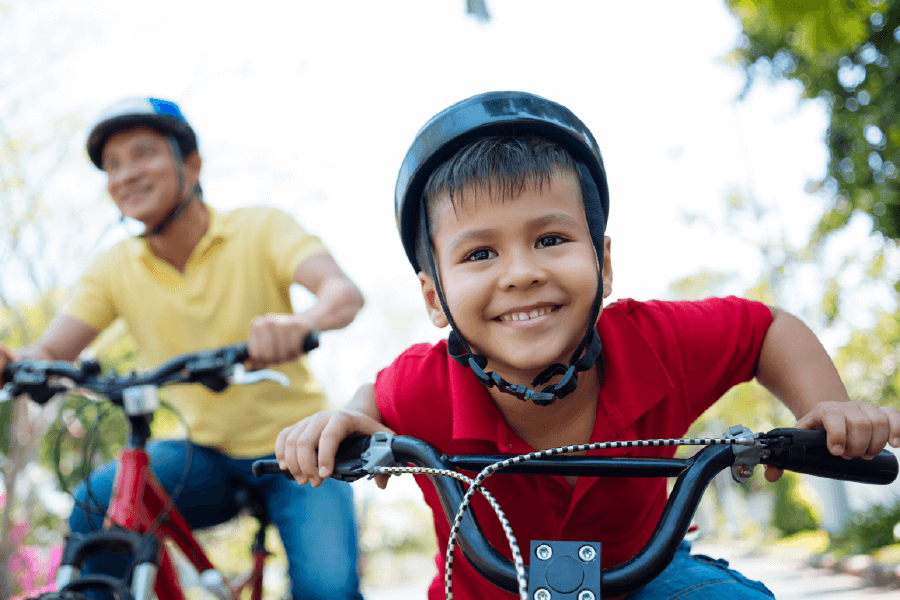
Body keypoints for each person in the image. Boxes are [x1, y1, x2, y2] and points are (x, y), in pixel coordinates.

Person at [273, 91, 900, 600]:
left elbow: (767, 329)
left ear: (602, 262)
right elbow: (376, 401)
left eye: (550, 239)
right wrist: (351, 420)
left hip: (641, 578)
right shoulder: (424, 386)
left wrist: (827, 408)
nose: (520, 272)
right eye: (480, 253)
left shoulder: (658, 342)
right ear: (434, 297)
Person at [0, 98, 366, 600]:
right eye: (112, 165)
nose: (125, 174)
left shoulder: (259, 228)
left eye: (143, 153)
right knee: (97, 500)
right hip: (207, 455)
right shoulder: (115, 267)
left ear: (191, 164)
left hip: (301, 448)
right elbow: (46, 351)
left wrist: (301, 321)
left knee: (329, 590)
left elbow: (342, 295)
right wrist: (12, 362)